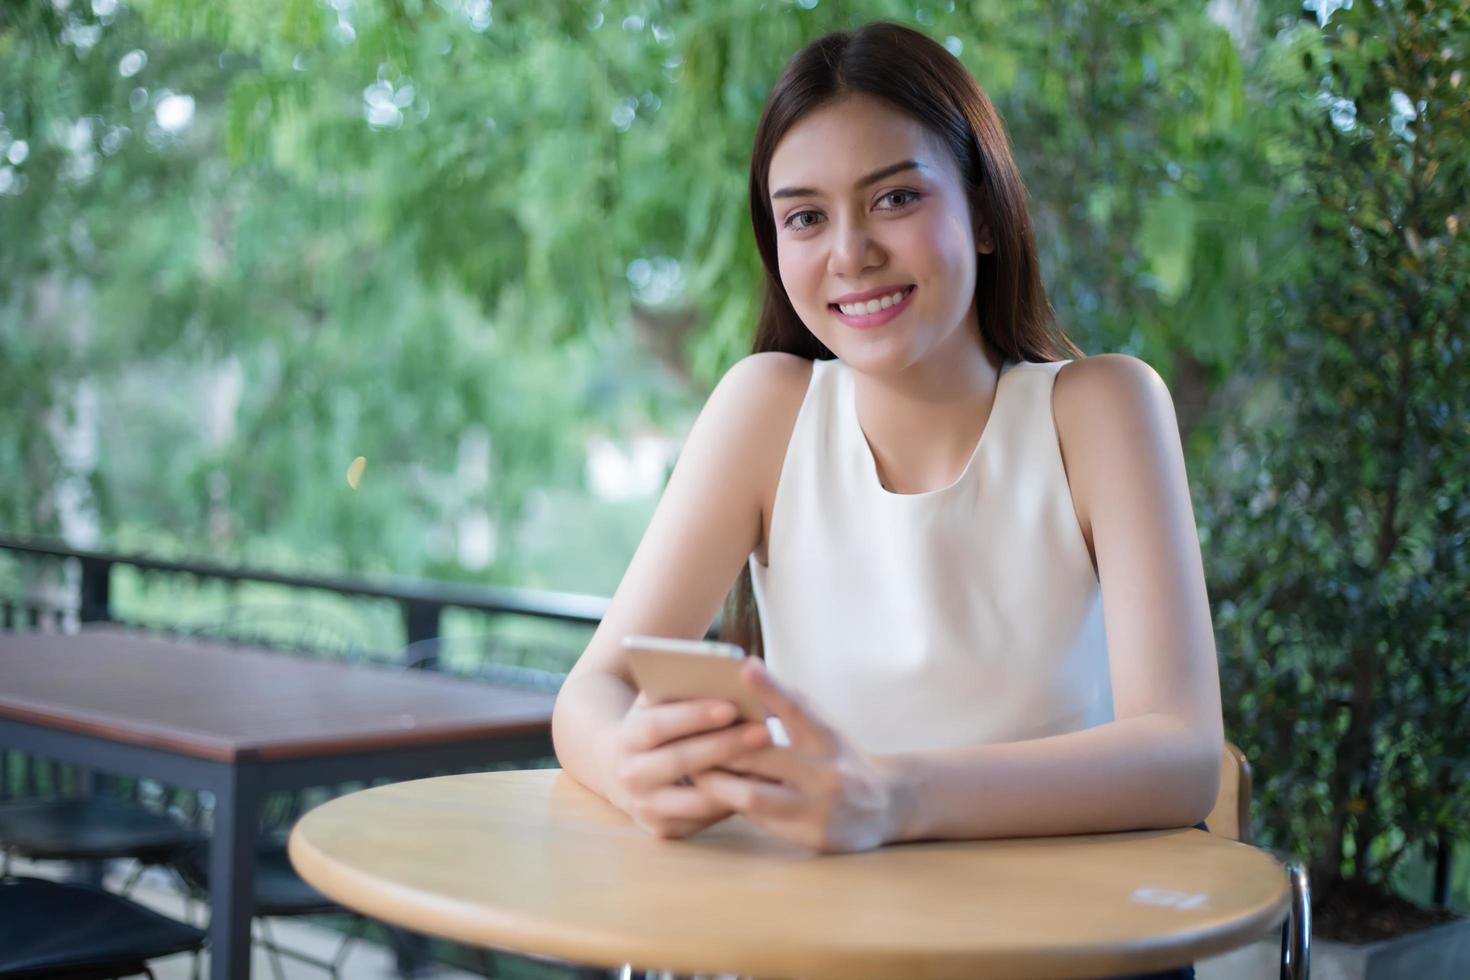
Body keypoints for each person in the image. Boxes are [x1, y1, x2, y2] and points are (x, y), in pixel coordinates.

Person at [552, 18, 1223, 953]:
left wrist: (889, 797)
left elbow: (1183, 756)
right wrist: (634, 768)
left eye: (895, 198)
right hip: (822, 942)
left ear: (984, 215)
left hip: (1064, 945)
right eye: (805, 216)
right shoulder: (765, 408)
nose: (850, 252)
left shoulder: (1102, 408)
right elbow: (591, 694)